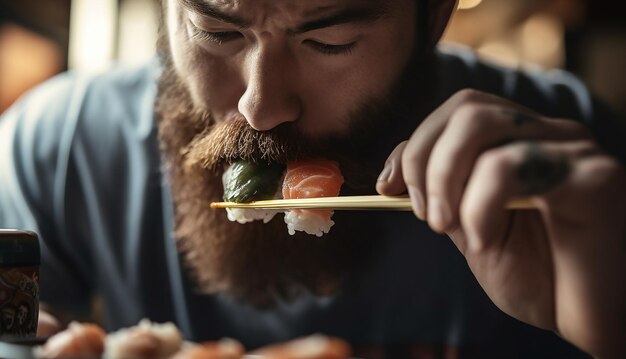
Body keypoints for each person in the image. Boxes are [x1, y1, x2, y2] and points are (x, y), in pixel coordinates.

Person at [1, 0, 624, 357]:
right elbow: (16, 324)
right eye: (217, 30)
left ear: (433, 15)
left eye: (330, 41)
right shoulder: (49, 151)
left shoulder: (575, 161)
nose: (261, 106)